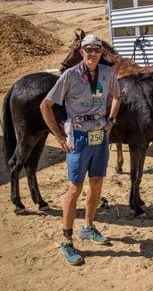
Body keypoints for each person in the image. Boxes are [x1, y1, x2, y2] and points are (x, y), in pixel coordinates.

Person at [40, 34, 121, 265]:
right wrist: (58, 135)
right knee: (74, 188)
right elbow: (45, 105)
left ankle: (88, 227)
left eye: (97, 50)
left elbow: (117, 96)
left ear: (101, 53)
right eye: (88, 50)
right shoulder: (70, 76)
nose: (92, 54)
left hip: (100, 135)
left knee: (96, 183)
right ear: (82, 52)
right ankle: (66, 241)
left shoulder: (107, 73)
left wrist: (112, 120)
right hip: (78, 136)